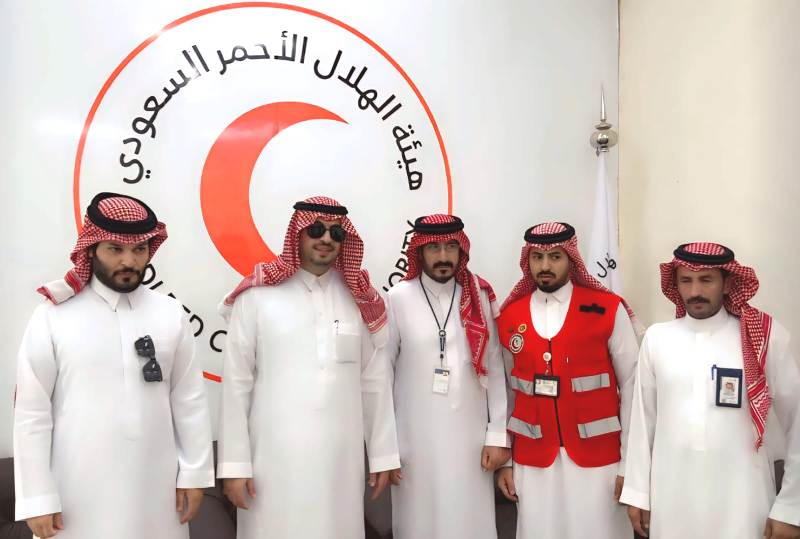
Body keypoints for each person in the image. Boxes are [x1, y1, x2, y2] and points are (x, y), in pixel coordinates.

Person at [14, 192, 214, 539]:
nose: (129, 261)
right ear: (92, 249)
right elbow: (32, 412)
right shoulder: (53, 315)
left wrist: (194, 475)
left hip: (156, 492)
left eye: (139, 250)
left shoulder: (169, 313)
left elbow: (189, 399)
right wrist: (37, 498)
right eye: (115, 249)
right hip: (74, 494)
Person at [216, 196, 400, 538]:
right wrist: (234, 465)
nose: (326, 238)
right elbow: (236, 384)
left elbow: (374, 380)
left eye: (335, 232)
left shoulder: (360, 299)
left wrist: (383, 454)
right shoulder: (256, 298)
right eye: (316, 229)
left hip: (340, 462)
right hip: (272, 461)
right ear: (297, 234)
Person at [621, 242, 800, 539]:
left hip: (744, 499)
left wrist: (791, 508)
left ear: (727, 283)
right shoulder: (658, 338)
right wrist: (638, 493)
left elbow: (797, 420)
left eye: (706, 280)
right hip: (671, 498)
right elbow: (643, 421)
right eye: (686, 280)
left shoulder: (763, 338)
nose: (695, 291)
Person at [496, 221, 639, 539]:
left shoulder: (607, 310)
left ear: (571, 259)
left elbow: (632, 387)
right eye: (537, 257)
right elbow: (505, 392)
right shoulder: (509, 317)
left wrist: (629, 466)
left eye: (555, 256)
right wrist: (506, 461)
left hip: (599, 462)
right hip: (533, 461)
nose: (545, 266)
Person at [382, 214, 509, 539]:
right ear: (419, 251)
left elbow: (496, 369)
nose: (443, 256)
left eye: (451, 247)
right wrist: (386, 448)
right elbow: (382, 374)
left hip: (471, 442)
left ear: (461, 250)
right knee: (418, 522)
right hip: (414, 441)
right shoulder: (398, 298)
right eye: (434, 247)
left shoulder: (478, 296)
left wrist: (497, 437)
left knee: (469, 521)